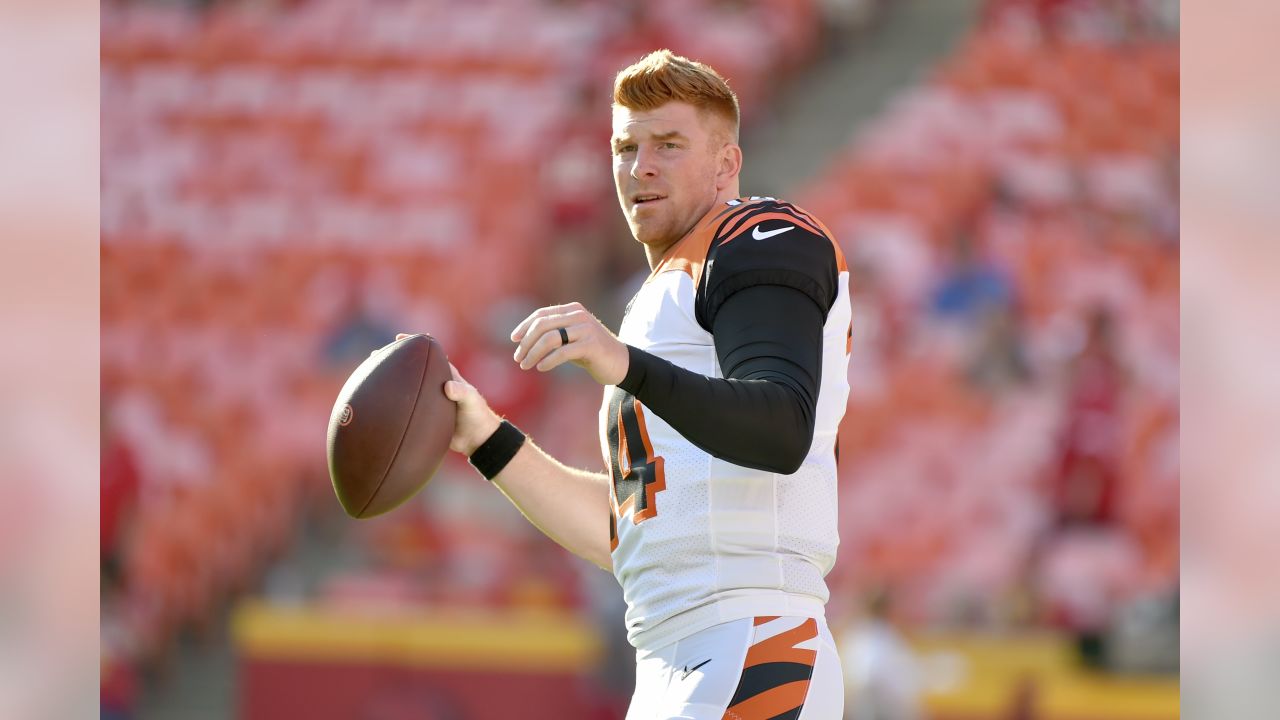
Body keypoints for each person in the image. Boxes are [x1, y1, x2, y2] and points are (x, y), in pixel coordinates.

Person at [414, 50, 852, 719]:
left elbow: (781, 426)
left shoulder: (759, 235)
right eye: (626, 147)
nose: (639, 166)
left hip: (751, 637)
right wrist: (486, 440)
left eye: (669, 145)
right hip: (672, 653)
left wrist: (625, 366)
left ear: (726, 164)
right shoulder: (655, 302)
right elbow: (630, 535)